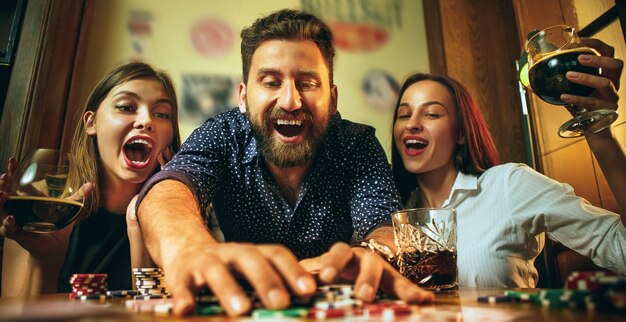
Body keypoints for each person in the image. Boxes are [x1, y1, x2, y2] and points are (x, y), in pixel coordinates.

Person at [135, 9, 433, 316]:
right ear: (243, 96)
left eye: (306, 83)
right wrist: (189, 248)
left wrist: (375, 253)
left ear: (332, 100)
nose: (290, 101)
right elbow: (168, 190)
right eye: (270, 82)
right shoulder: (222, 134)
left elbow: (384, 227)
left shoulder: (356, 143)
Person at [391, 37, 625, 288]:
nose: (412, 124)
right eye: (404, 115)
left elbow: (619, 248)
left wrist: (600, 136)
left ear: (461, 133)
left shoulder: (507, 185)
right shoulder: (390, 214)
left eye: (432, 114)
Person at [0, 62, 181, 295]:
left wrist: (140, 223)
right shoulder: (39, 201)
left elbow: (158, 312)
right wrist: (44, 259)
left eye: (161, 114)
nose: (146, 121)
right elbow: (17, 316)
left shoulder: (178, 212)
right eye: (126, 107)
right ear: (91, 122)